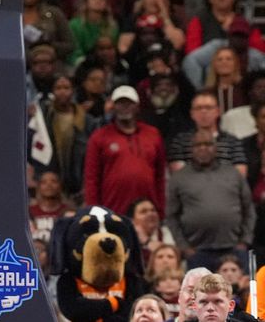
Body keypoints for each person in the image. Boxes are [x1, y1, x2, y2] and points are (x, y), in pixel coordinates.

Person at [166, 129, 255, 271]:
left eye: (208, 144)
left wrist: (244, 241)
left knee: (240, 291)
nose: (203, 148)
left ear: (216, 147)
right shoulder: (179, 178)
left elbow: (249, 209)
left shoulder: (233, 174)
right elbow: (171, 216)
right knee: (199, 292)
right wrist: (184, 247)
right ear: (191, 149)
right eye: (198, 145)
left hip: (234, 248)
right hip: (198, 252)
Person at [83, 85, 166, 216]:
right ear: (113, 107)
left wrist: (161, 210)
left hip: (148, 209)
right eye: (120, 103)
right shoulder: (99, 137)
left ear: (137, 106)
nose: (125, 107)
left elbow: (160, 176)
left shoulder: (153, 134)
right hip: (112, 211)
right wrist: (94, 213)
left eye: (129, 103)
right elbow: (91, 179)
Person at [167, 90, 248, 178]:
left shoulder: (232, 141)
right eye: (198, 108)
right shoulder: (180, 141)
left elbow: (240, 175)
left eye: (208, 107)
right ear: (192, 113)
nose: (204, 112)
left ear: (218, 111)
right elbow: (178, 176)